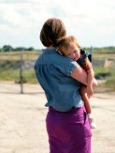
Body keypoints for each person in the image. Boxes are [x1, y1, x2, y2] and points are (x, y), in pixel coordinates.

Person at [34, 18, 97, 153]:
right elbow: (92, 83)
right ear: (61, 34)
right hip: (73, 118)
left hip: (53, 119)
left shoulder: (38, 63)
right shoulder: (65, 62)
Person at [56, 35, 97, 129]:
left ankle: (91, 117)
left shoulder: (83, 58)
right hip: (76, 81)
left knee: (83, 94)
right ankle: (86, 117)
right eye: (69, 54)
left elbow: (90, 71)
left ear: (79, 47)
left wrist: (89, 86)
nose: (73, 55)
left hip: (86, 81)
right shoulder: (67, 62)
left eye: (75, 51)